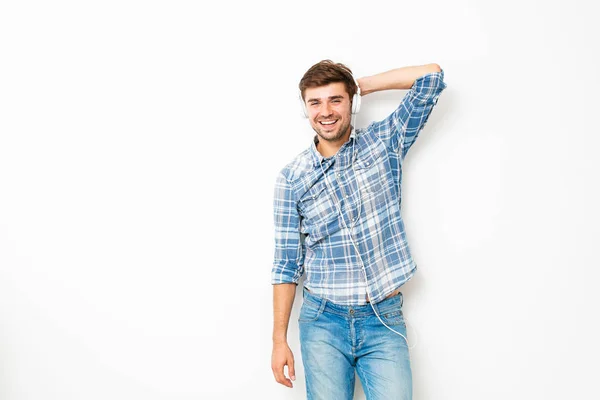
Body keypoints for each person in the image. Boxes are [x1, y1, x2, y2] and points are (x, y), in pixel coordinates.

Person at [271, 59, 447, 400]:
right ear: (305, 109)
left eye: (335, 99)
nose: (326, 111)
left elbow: (432, 77)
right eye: (315, 102)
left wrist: (360, 84)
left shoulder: (385, 143)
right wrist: (279, 340)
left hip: (382, 317)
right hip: (322, 321)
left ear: (351, 102)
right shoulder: (292, 179)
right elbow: (285, 264)